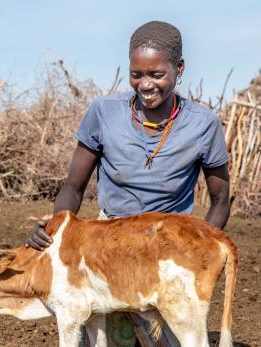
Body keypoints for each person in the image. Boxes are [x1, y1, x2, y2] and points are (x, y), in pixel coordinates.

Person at [25, 21, 230, 347]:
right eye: (137, 74)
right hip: (110, 248)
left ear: (179, 69)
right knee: (102, 338)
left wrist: (197, 256)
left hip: (168, 251)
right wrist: (56, 228)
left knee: (170, 340)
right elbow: (73, 187)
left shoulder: (202, 124)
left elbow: (220, 200)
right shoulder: (104, 113)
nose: (145, 84)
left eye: (156, 74)